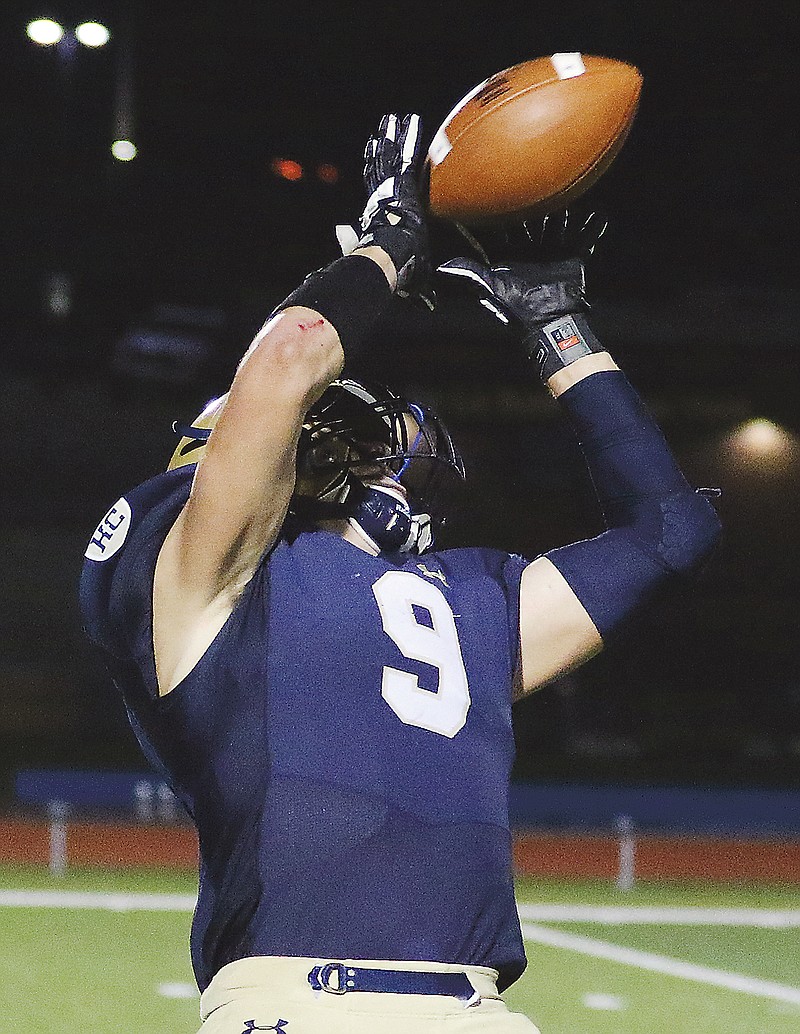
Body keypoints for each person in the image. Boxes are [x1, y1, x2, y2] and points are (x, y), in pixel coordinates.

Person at [80, 113, 720, 1033]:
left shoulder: (465, 605)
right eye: (376, 445)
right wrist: (388, 244)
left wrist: (555, 317)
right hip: (305, 1007)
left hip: (476, 1011)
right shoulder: (211, 590)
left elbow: (674, 531)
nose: (402, 464)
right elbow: (294, 356)